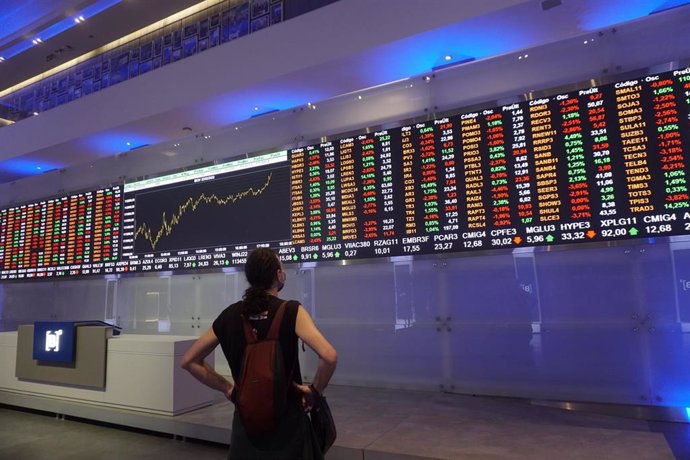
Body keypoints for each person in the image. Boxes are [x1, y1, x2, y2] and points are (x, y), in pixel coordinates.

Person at [180, 248, 337, 459]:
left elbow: (189, 361)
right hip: (289, 426)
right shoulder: (291, 311)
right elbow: (329, 356)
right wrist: (315, 391)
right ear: (278, 275)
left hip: (246, 427)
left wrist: (228, 388)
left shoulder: (230, 315)